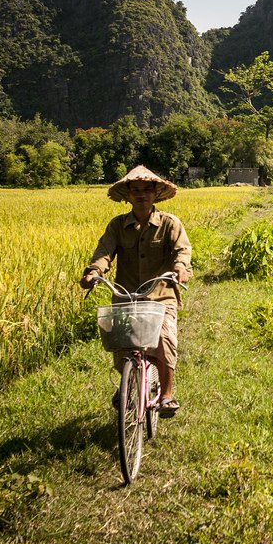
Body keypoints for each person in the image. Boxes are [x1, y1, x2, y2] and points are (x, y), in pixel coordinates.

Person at [79, 165, 192, 417]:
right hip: (125, 295)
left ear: (155, 193)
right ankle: (128, 381)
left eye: (146, 190)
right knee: (120, 344)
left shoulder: (169, 223)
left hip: (161, 295)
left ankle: (166, 395)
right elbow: (104, 252)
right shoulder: (117, 226)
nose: (141, 195)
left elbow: (182, 251)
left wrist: (180, 268)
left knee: (164, 339)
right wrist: (94, 272)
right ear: (128, 195)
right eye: (136, 190)